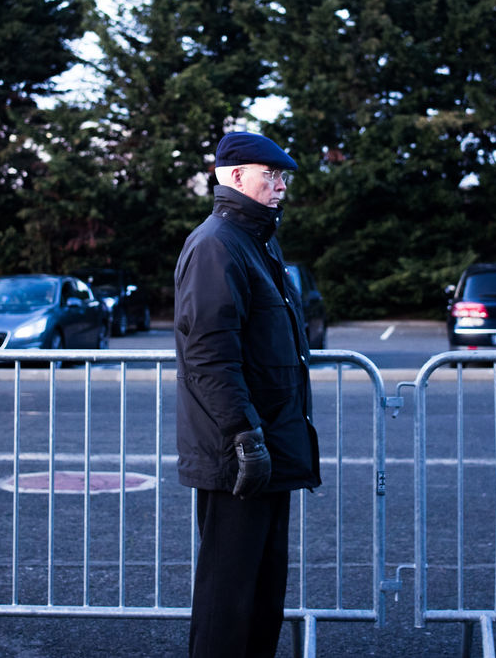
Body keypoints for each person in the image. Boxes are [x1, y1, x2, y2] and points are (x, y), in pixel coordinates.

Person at [173, 131, 321, 658]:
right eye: (271, 175)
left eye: (282, 177)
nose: (281, 186)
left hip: (267, 443)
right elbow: (209, 354)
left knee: (262, 596)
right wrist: (244, 436)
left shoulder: (256, 240)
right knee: (227, 599)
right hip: (239, 451)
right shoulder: (216, 244)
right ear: (236, 176)